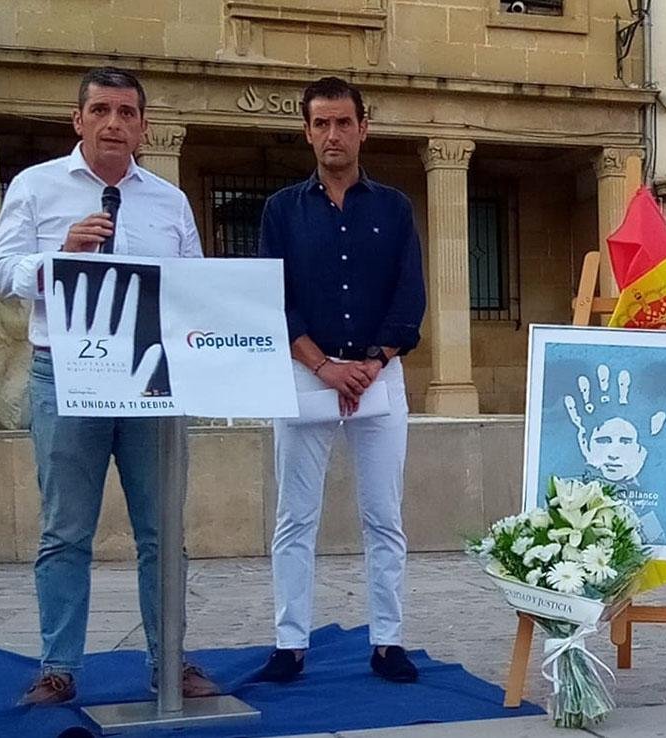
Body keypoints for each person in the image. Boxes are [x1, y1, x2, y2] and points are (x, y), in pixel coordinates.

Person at [0, 67, 218, 705]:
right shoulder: (36, 188)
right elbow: (2, 271)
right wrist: (59, 256)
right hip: (65, 374)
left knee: (162, 532)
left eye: (126, 112)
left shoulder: (169, 201)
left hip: (150, 381)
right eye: (101, 110)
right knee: (64, 531)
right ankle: (59, 667)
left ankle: (168, 662)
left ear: (144, 126)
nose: (114, 123)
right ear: (78, 120)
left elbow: (193, 288)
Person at [257, 76, 425, 683]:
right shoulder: (280, 211)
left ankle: (388, 639)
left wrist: (372, 363)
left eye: (343, 122)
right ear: (307, 131)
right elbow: (275, 300)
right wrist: (325, 366)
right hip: (304, 376)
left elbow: (409, 297)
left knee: (384, 514)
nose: (333, 134)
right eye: (321, 124)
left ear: (363, 128)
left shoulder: (395, 208)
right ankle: (289, 641)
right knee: (295, 515)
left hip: (379, 378)